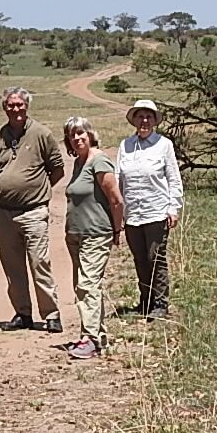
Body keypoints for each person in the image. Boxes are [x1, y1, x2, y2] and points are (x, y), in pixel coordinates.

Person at [0, 86, 67, 332]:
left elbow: (57, 169)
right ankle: (23, 313)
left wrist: (38, 191)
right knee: (12, 266)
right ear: (4, 107)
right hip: (3, 212)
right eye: (11, 105)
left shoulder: (42, 133)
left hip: (34, 211)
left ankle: (51, 314)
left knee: (39, 262)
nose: (15, 109)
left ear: (27, 106)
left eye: (19, 104)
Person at [61, 116, 123, 359]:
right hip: (76, 234)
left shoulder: (99, 161)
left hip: (96, 233)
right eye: (71, 135)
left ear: (90, 134)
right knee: (85, 287)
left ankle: (89, 339)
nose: (77, 138)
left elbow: (116, 199)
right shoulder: (79, 163)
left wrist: (117, 231)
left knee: (87, 285)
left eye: (80, 133)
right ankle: (100, 335)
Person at [119, 99, 183, 320]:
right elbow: (120, 179)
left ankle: (160, 303)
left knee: (155, 257)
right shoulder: (125, 146)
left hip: (156, 210)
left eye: (148, 116)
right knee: (139, 258)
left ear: (155, 121)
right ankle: (144, 301)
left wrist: (173, 207)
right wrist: (118, 212)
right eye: (140, 116)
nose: (144, 121)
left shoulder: (164, 145)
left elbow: (174, 179)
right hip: (132, 214)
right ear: (134, 120)